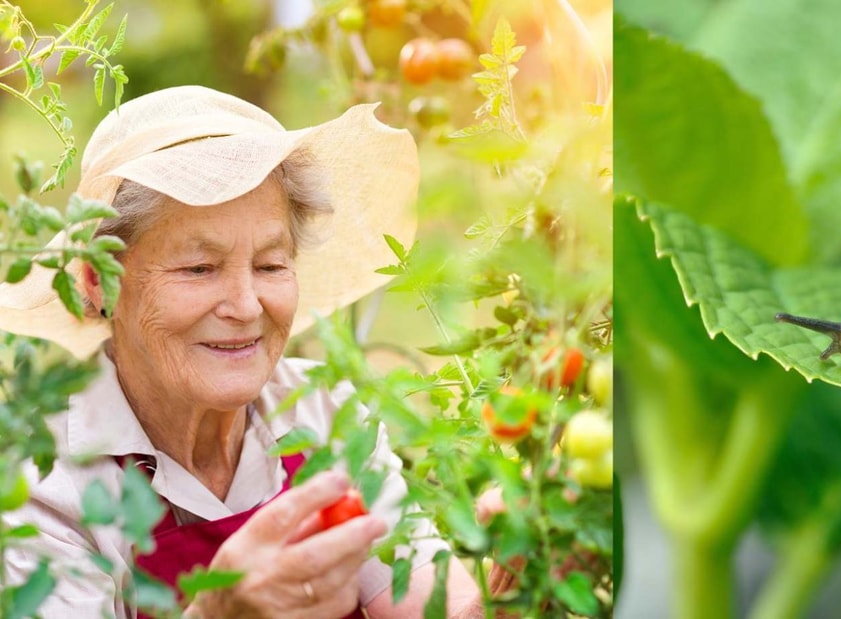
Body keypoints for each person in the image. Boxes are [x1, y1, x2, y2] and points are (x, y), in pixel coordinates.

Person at [0, 85, 487, 618]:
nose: (246, 305)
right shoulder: (42, 482)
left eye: (271, 265)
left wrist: (519, 581)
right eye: (198, 268)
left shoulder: (322, 411)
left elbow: (431, 606)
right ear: (100, 282)